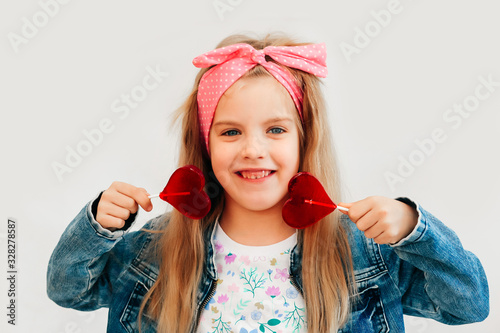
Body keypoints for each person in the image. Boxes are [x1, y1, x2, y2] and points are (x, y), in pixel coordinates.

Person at [47, 33, 489, 333]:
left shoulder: (362, 253)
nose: (253, 149)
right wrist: (97, 225)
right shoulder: (157, 248)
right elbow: (68, 290)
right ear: (205, 145)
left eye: (275, 130)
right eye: (231, 131)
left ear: (304, 141)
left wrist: (415, 228)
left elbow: (468, 305)